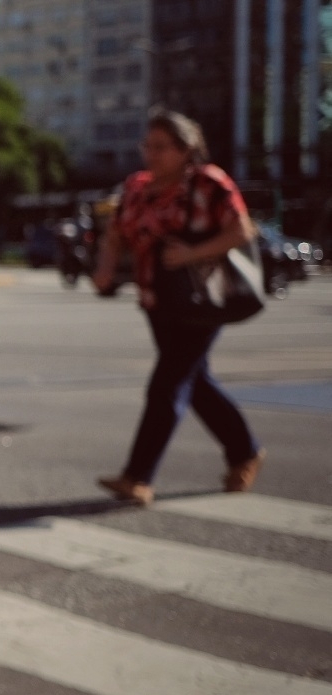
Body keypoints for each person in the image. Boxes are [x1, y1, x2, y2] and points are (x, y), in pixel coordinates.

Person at [91, 110, 264, 506]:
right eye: (147, 146)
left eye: (160, 147)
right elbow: (116, 233)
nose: (150, 154)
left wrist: (192, 253)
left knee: (167, 383)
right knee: (195, 383)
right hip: (157, 301)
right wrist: (104, 268)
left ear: (187, 150)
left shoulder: (209, 183)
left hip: (203, 301)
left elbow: (242, 230)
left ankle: (138, 477)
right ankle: (244, 452)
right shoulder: (136, 187)